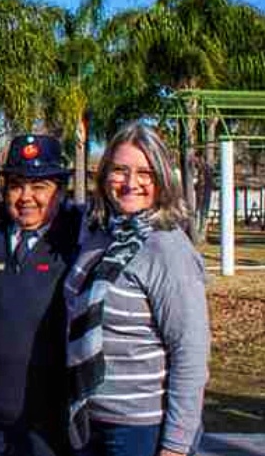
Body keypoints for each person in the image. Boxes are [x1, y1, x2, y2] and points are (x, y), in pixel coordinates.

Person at [66, 121, 209, 456]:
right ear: (104, 177)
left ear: (161, 180)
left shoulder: (168, 250)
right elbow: (39, 210)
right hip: (87, 420)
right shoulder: (99, 232)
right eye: (119, 170)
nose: (131, 183)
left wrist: (175, 446)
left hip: (139, 430)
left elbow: (190, 354)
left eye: (145, 173)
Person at [0, 134, 82, 456]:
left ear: (60, 192)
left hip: (50, 426)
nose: (26, 197)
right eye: (17, 186)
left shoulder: (78, 242)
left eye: (40, 187)